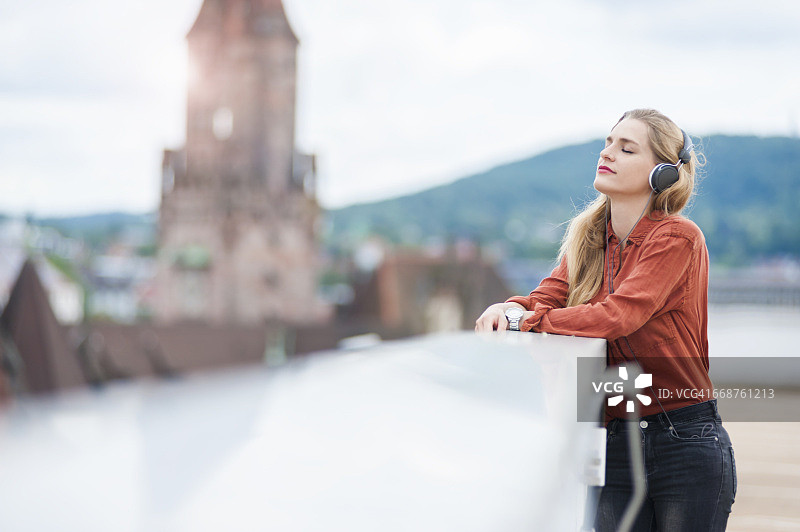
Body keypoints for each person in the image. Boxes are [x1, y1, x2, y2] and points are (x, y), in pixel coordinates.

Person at [475, 109, 736, 531]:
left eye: (626, 148)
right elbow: (546, 297)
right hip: (614, 442)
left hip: (683, 440)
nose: (607, 152)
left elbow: (618, 315)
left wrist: (526, 321)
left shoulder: (677, 238)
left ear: (663, 174)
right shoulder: (588, 239)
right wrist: (509, 308)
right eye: (609, 142)